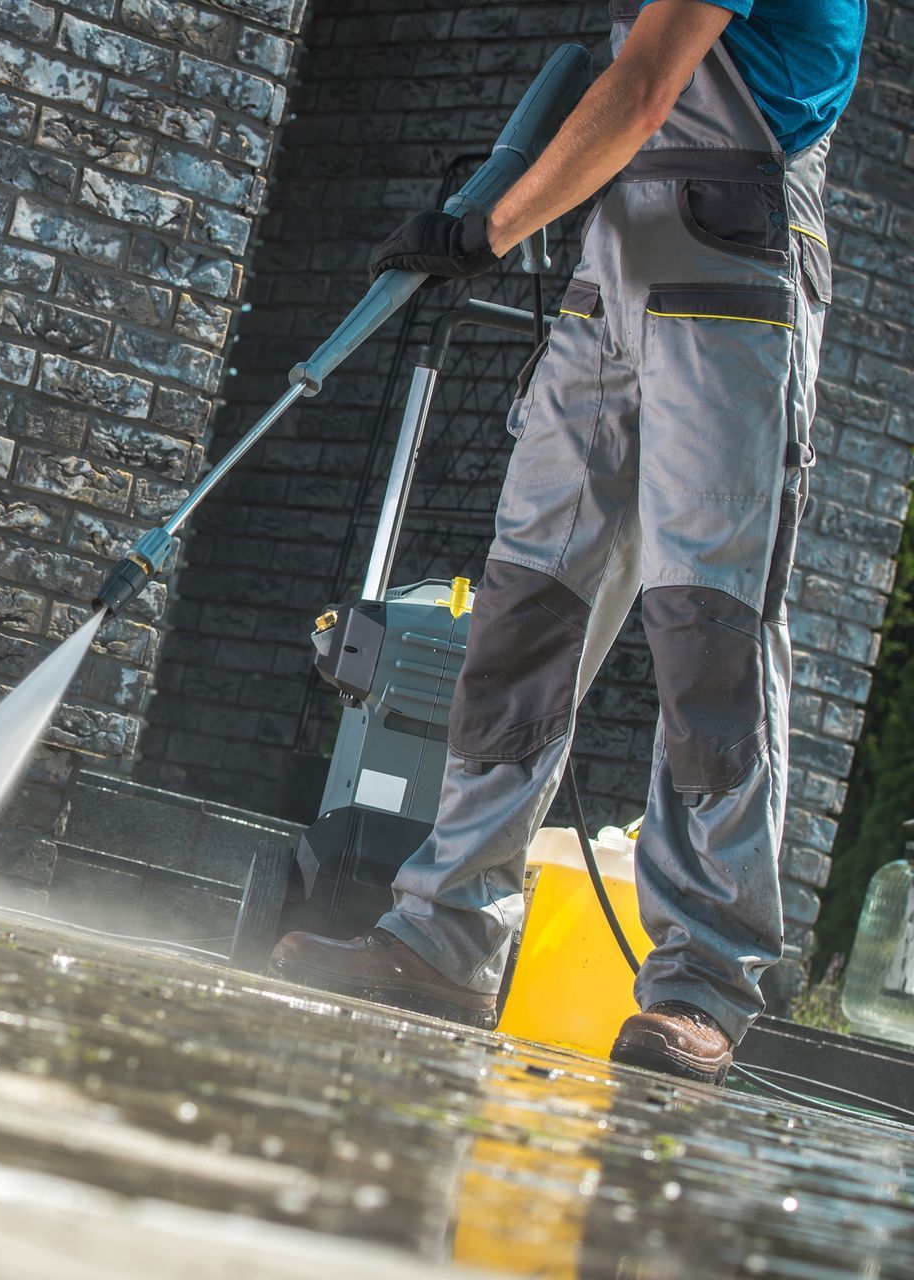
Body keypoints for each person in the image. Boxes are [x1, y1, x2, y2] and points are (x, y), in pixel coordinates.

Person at [270, 0, 866, 1084]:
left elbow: (642, 89)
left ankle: (703, 979)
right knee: (527, 609)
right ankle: (444, 936)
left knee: (709, 627)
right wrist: (513, 193)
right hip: (615, 263)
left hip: (738, 264)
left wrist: (484, 227)